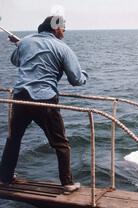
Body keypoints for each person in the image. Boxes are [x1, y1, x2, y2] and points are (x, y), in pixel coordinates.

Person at [0, 16, 88, 193]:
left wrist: (21, 45)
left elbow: (16, 61)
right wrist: (85, 74)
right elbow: (76, 80)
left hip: (20, 98)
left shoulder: (26, 42)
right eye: (63, 27)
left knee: (13, 139)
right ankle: (67, 183)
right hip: (44, 100)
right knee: (61, 143)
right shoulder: (63, 48)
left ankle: (4, 178)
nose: (65, 30)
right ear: (55, 28)